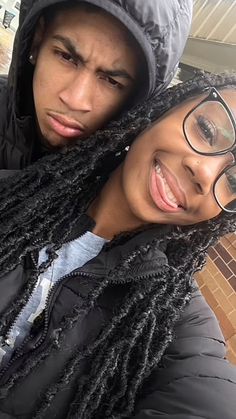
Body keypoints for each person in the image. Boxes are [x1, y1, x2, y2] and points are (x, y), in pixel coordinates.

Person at [0, 71, 236, 418]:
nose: (203, 174)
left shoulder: (170, 321)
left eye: (233, 180)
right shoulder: (10, 196)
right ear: (165, 108)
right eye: (206, 129)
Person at [0, 0, 193, 170]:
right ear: (37, 40)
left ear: (133, 100)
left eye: (112, 81)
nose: (75, 100)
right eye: (66, 57)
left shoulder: (110, 196)